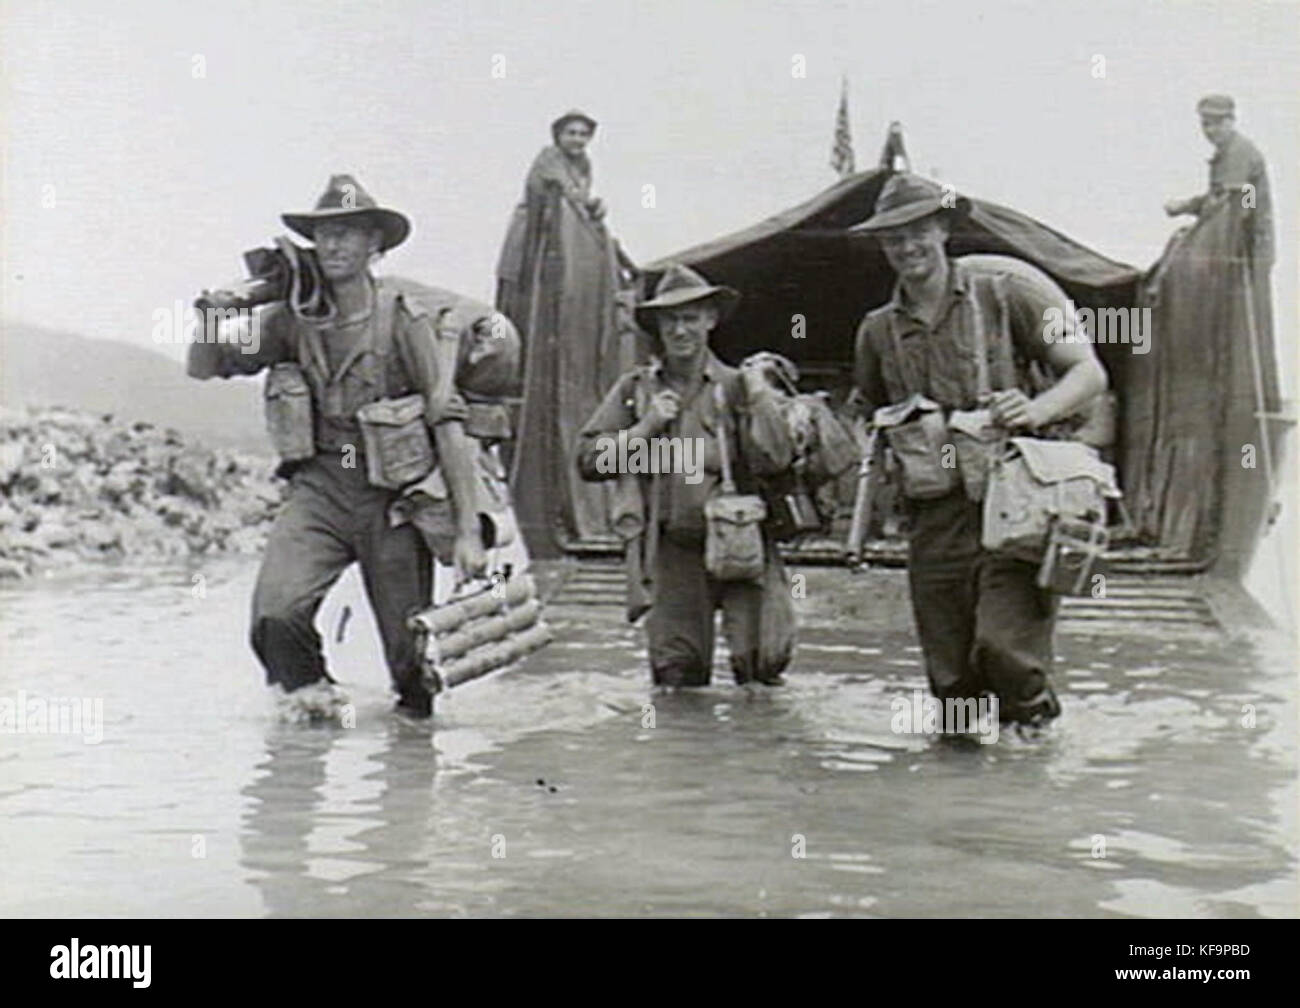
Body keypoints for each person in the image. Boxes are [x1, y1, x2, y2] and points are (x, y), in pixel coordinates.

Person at [188, 174, 499, 720]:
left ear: (375, 246)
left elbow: (446, 419)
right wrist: (212, 315)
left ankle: (407, 781)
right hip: (321, 488)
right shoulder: (292, 317)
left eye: (348, 233)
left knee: (412, 671)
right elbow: (206, 366)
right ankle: (312, 710)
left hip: (394, 499)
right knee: (275, 614)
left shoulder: (406, 319)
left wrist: (470, 531)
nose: (332, 245)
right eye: (324, 234)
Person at [851, 174, 1109, 727]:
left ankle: (1034, 775)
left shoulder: (1005, 292)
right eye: (893, 237)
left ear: (943, 228)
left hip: (1013, 506)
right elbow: (866, 416)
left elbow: (1088, 373)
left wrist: (1035, 410)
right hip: (933, 519)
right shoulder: (876, 332)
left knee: (1007, 654)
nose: (907, 247)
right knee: (953, 685)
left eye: (918, 230)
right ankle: (965, 799)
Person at [575, 264, 798, 688]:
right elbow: (589, 462)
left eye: (690, 318)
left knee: (762, 674)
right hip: (674, 550)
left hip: (746, 545)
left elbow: (778, 459)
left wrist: (761, 401)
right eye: (670, 320)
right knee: (677, 680)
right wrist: (645, 429)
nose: (680, 330)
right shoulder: (635, 390)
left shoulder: (738, 386)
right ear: (658, 326)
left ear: (711, 320)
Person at [497, 109, 642, 556]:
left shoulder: (583, 167)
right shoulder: (548, 164)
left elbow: (584, 205)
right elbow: (550, 208)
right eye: (571, 133)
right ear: (558, 135)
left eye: (583, 134)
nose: (577, 140)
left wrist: (594, 211)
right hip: (548, 258)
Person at [1164, 94, 1273, 271]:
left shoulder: (1239, 152)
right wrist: (1186, 206)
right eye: (1206, 124)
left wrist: (1187, 210)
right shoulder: (1227, 151)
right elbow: (1224, 197)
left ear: (1231, 121)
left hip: (1245, 249)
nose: (1211, 130)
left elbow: (1240, 203)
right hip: (1233, 242)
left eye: (1218, 123)